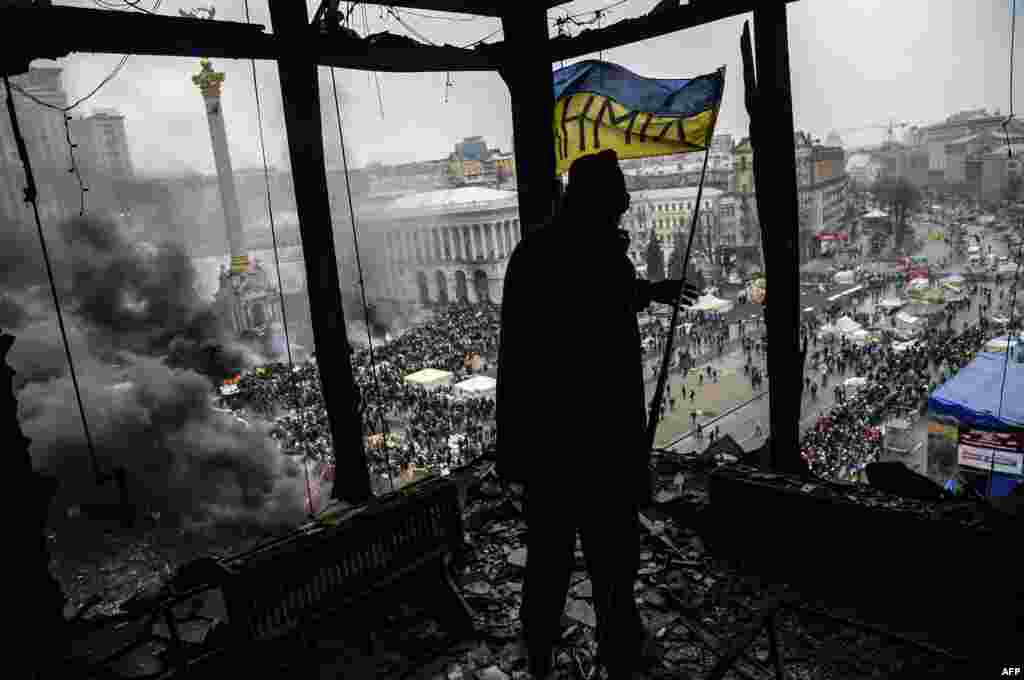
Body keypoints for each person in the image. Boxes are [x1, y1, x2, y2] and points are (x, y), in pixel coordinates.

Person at [496, 149, 698, 680]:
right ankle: (619, 653)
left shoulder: (537, 252)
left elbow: (592, 296)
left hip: (549, 451)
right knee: (611, 566)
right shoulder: (597, 255)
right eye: (620, 190)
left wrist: (650, 292)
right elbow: (596, 295)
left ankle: (540, 655)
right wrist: (648, 292)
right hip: (600, 447)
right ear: (597, 197)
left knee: (548, 564)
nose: (628, 199)